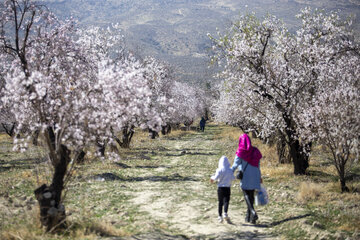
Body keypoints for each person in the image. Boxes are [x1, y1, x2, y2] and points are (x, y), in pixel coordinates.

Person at [231, 133, 262, 224]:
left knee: (246, 193)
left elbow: (235, 165)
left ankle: (252, 211)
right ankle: (249, 217)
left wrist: (228, 173)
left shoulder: (240, 151)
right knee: (251, 194)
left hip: (246, 175)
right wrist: (259, 176)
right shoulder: (255, 151)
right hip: (255, 174)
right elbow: (258, 165)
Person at [210, 156, 235, 223]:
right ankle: (225, 213)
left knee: (220, 202)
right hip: (227, 188)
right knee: (226, 201)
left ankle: (220, 216)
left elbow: (215, 177)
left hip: (220, 188)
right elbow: (233, 178)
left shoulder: (219, 170)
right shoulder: (230, 170)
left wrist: (212, 178)